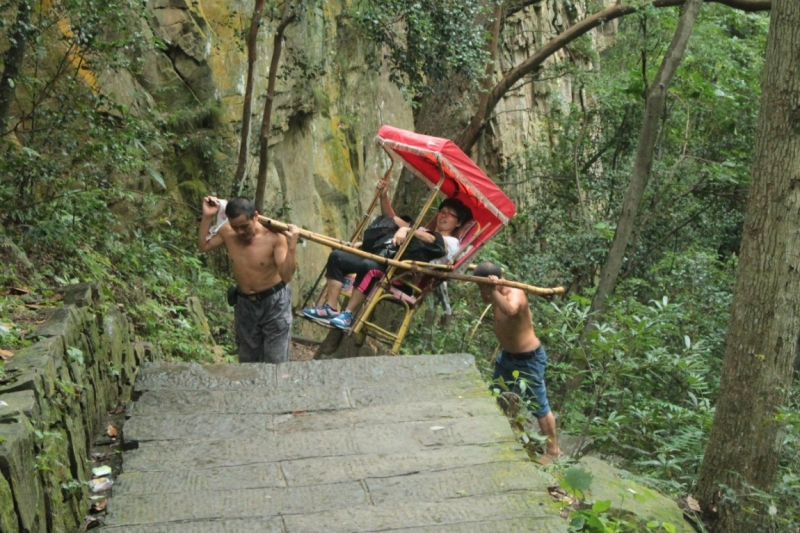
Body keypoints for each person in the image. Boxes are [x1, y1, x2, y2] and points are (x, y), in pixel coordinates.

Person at [302, 181, 472, 330]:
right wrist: (384, 196)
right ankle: (330, 308)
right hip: (384, 259)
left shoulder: (451, 242)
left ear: (458, 222)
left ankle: (348, 314)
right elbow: (392, 218)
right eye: (442, 211)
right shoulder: (422, 229)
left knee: (369, 266)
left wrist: (406, 230)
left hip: (401, 275)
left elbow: (434, 242)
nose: (443, 215)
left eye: (449, 214)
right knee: (338, 256)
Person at [473, 261, 561, 463]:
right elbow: (489, 301)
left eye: (483, 288)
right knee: (497, 394)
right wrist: (488, 290)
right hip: (507, 357)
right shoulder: (494, 292)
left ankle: (553, 450)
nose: (484, 294)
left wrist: (492, 289)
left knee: (539, 405)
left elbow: (510, 310)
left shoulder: (515, 293)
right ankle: (506, 432)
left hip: (529, 359)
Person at [198, 196, 300, 364]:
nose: (240, 232)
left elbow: (287, 276)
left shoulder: (275, 237)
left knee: (276, 361)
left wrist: (292, 247)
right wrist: (208, 216)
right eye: (235, 227)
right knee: (247, 361)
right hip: (245, 304)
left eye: (244, 226)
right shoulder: (227, 232)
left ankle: (275, 390)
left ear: (255, 216)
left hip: (274, 303)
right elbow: (203, 246)